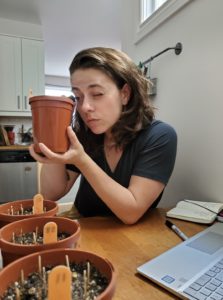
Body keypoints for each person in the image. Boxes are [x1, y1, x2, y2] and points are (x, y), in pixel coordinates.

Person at [29, 47, 177, 225]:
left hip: (134, 235)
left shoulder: (159, 136)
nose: (84, 107)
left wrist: (82, 160)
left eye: (97, 94)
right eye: (78, 97)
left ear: (125, 94)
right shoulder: (84, 134)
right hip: (84, 223)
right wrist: (53, 151)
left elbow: (131, 212)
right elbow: (51, 194)